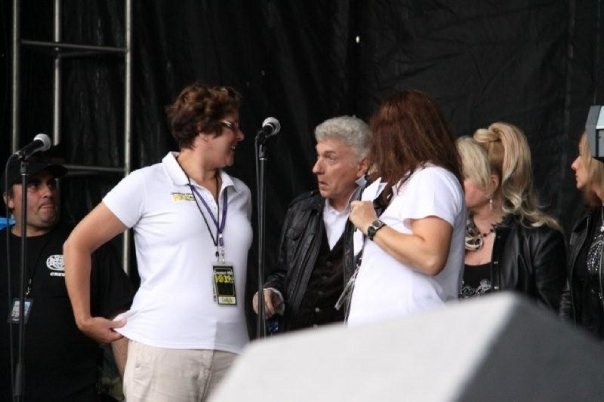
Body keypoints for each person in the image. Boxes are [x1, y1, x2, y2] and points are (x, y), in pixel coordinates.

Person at [63, 82, 253, 401]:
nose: (241, 136)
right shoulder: (148, 182)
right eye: (232, 126)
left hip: (233, 353)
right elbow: (77, 244)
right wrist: (83, 318)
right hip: (164, 349)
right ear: (203, 129)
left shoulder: (240, 192)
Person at [0, 154, 133, 402]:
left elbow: (120, 320)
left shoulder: (84, 246)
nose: (48, 192)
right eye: (34, 184)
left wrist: (135, 392)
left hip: (75, 394)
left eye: (51, 183)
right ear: (8, 199)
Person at [346, 89, 466, 326]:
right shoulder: (389, 187)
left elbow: (430, 256)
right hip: (375, 338)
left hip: (413, 333)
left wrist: (373, 226)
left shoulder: (432, 178)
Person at [253, 116, 370, 332]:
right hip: (298, 345)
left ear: (361, 166)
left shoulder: (379, 212)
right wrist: (272, 292)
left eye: (330, 158)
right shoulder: (302, 210)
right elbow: (282, 272)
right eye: (318, 156)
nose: (316, 168)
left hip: (351, 346)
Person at [456, 126, 566, 311]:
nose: (454, 182)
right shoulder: (452, 234)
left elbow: (553, 323)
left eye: (464, 176)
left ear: (491, 184)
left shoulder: (540, 240)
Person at [560, 132, 604, 339]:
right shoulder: (587, 223)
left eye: (581, 156)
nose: (574, 164)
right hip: (588, 356)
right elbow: (570, 294)